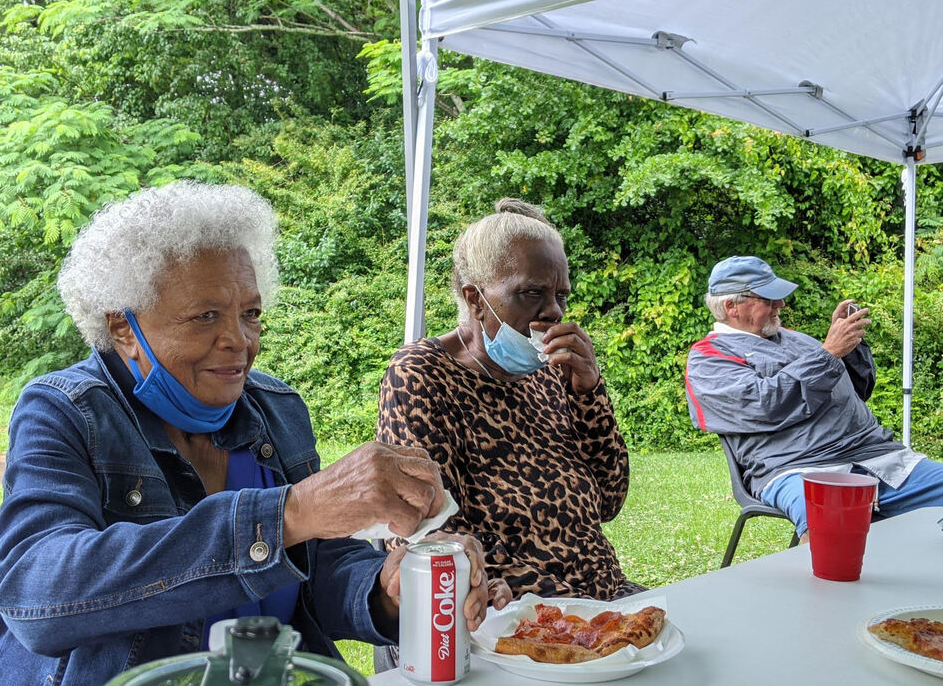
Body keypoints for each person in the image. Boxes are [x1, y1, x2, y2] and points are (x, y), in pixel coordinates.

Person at [0, 181, 510, 686]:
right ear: (124, 329)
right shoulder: (66, 411)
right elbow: (34, 593)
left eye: (250, 313)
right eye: (205, 316)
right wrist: (286, 514)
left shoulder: (275, 409)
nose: (239, 340)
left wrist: (385, 589)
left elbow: (319, 568)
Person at [377, 198, 642, 602]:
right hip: (505, 612)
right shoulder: (422, 373)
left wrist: (589, 391)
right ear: (475, 299)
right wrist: (566, 606)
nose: (553, 311)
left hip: (602, 596)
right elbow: (430, 535)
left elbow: (609, 499)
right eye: (532, 293)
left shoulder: (551, 370)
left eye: (560, 295)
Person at [684, 255, 943, 538]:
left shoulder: (798, 339)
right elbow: (763, 406)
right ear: (731, 306)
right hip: (798, 468)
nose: (780, 304)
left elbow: (859, 390)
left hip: (878, 458)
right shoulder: (708, 358)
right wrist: (828, 353)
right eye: (768, 299)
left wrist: (850, 347)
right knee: (830, 535)